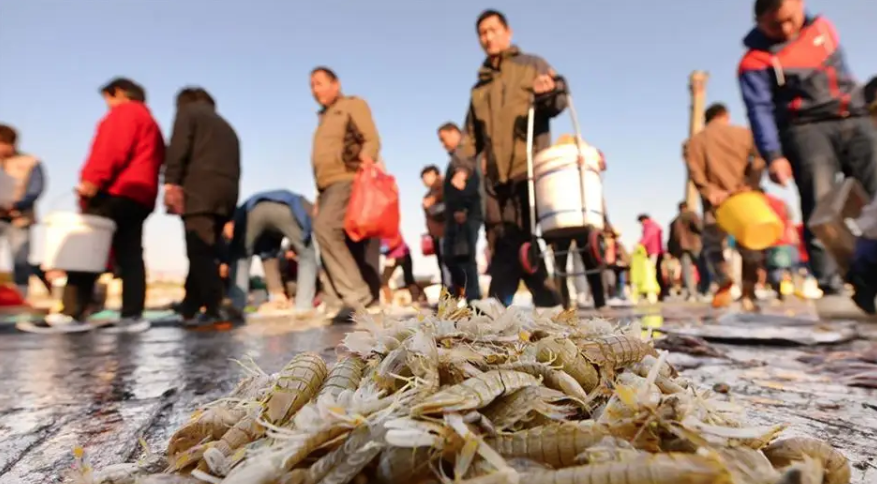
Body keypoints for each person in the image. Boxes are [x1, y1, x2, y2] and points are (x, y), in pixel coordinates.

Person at [739, 0, 877, 296]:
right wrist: (773, 155)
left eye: (790, 19)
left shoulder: (824, 28)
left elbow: (844, 73)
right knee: (820, 206)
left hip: (855, 117)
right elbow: (759, 110)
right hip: (805, 128)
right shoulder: (754, 61)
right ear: (759, 22)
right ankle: (834, 286)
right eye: (775, 25)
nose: (786, 29)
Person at [459, 9, 565, 308]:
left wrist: (549, 91)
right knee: (507, 241)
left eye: (493, 30)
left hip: (528, 169)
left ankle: (494, 310)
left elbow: (558, 100)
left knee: (515, 240)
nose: (488, 37)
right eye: (482, 33)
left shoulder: (531, 65)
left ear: (508, 33)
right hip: (495, 179)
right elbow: (470, 136)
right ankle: (549, 305)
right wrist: (463, 167)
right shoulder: (479, 88)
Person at [49, 78, 164, 331]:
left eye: (108, 98)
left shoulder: (125, 113)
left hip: (115, 192)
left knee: (87, 248)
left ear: (119, 92)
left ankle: (73, 312)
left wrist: (93, 179)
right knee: (132, 255)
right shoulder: (151, 122)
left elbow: (111, 149)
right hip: (141, 195)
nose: (108, 105)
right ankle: (132, 315)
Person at [309, 66, 381, 321]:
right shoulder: (324, 117)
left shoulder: (351, 105)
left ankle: (359, 297)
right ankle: (336, 299)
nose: (315, 90)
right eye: (312, 85)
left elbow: (370, 137)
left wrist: (367, 158)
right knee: (329, 233)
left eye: (319, 83)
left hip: (348, 177)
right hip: (326, 186)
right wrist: (319, 196)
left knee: (325, 229)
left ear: (335, 84)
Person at [164, 87, 241, 326]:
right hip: (226, 193)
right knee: (205, 250)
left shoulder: (189, 113)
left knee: (198, 249)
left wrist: (171, 181)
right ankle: (191, 306)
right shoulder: (226, 126)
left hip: (199, 190)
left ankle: (217, 305)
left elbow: (178, 148)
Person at [685, 103, 765, 311]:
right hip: (743, 199)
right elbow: (759, 160)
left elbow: (695, 171)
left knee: (713, 245)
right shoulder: (744, 134)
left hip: (716, 202)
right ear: (726, 115)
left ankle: (723, 279)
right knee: (749, 244)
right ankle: (749, 288)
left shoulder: (695, 141)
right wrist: (750, 184)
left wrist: (709, 190)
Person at [225, 190, 318, 317]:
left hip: (253, 211)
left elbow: (268, 255)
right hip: (284, 210)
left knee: (243, 256)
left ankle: (238, 303)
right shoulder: (305, 202)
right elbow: (311, 220)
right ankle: (304, 306)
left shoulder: (268, 238)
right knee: (307, 254)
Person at [438, 122, 482, 302]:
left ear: (454, 133)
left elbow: (471, 183)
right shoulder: (454, 160)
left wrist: (463, 208)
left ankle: (473, 299)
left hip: (466, 213)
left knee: (465, 257)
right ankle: (458, 295)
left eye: (443, 139)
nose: (442, 144)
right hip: (454, 216)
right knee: (450, 256)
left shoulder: (466, 156)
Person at [0, 124, 45, 299]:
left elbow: (36, 188)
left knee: (20, 259)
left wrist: (17, 205)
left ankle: (21, 297)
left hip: (20, 218)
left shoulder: (30, 162)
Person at [667, 201, 703, 301]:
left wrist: (671, 251)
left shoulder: (674, 221)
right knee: (702, 268)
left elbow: (671, 238)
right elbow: (700, 227)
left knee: (686, 271)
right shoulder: (692, 215)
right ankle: (704, 291)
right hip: (694, 245)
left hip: (681, 248)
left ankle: (691, 293)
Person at [420, 165, 448, 286]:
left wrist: (433, 200)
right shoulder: (428, 195)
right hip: (436, 234)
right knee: (442, 266)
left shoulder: (445, 187)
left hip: (446, 233)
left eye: (426, 176)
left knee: (448, 266)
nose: (424, 180)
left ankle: (453, 295)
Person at [379, 237, 424, 305]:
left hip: (403, 255)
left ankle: (415, 299)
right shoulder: (380, 234)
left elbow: (397, 240)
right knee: (384, 280)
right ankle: (388, 301)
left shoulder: (390, 228)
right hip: (391, 257)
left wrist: (384, 249)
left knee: (408, 279)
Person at [637, 214, 665, 300]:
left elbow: (647, 237)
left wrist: (639, 244)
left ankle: (654, 292)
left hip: (653, 251)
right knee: (657, 271)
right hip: (658, 250)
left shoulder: (649, 226)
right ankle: (660, 293)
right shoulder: (655, 225)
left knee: (652, 271)